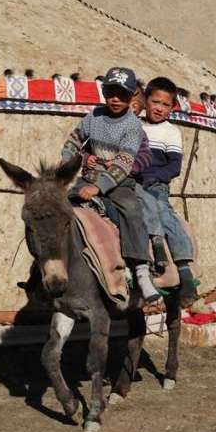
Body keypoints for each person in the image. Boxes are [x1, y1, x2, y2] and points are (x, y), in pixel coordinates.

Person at [61, 67, 160, 303]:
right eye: (111, 93)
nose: (116, 99)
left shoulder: (132, 126)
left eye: (123, 95)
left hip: (119, 181)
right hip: (90, 176)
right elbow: (73, 141)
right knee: (58, 207)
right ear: (104, 93)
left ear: (132, 97)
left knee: (132, 210)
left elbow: (125, 164)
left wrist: (98, 188)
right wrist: (66, 165)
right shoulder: (93, 117)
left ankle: (141, 270)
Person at [130, 76, 199, 307]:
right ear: (145, 101)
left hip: (157, 185)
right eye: (155, 102)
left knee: (163, 211)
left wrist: (153, 177)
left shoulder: (171, 132)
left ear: (172, 108)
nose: (159, 108)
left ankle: (183, 268)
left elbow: (174, 167)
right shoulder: (134, 125)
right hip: (132, 182)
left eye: (165, 104)